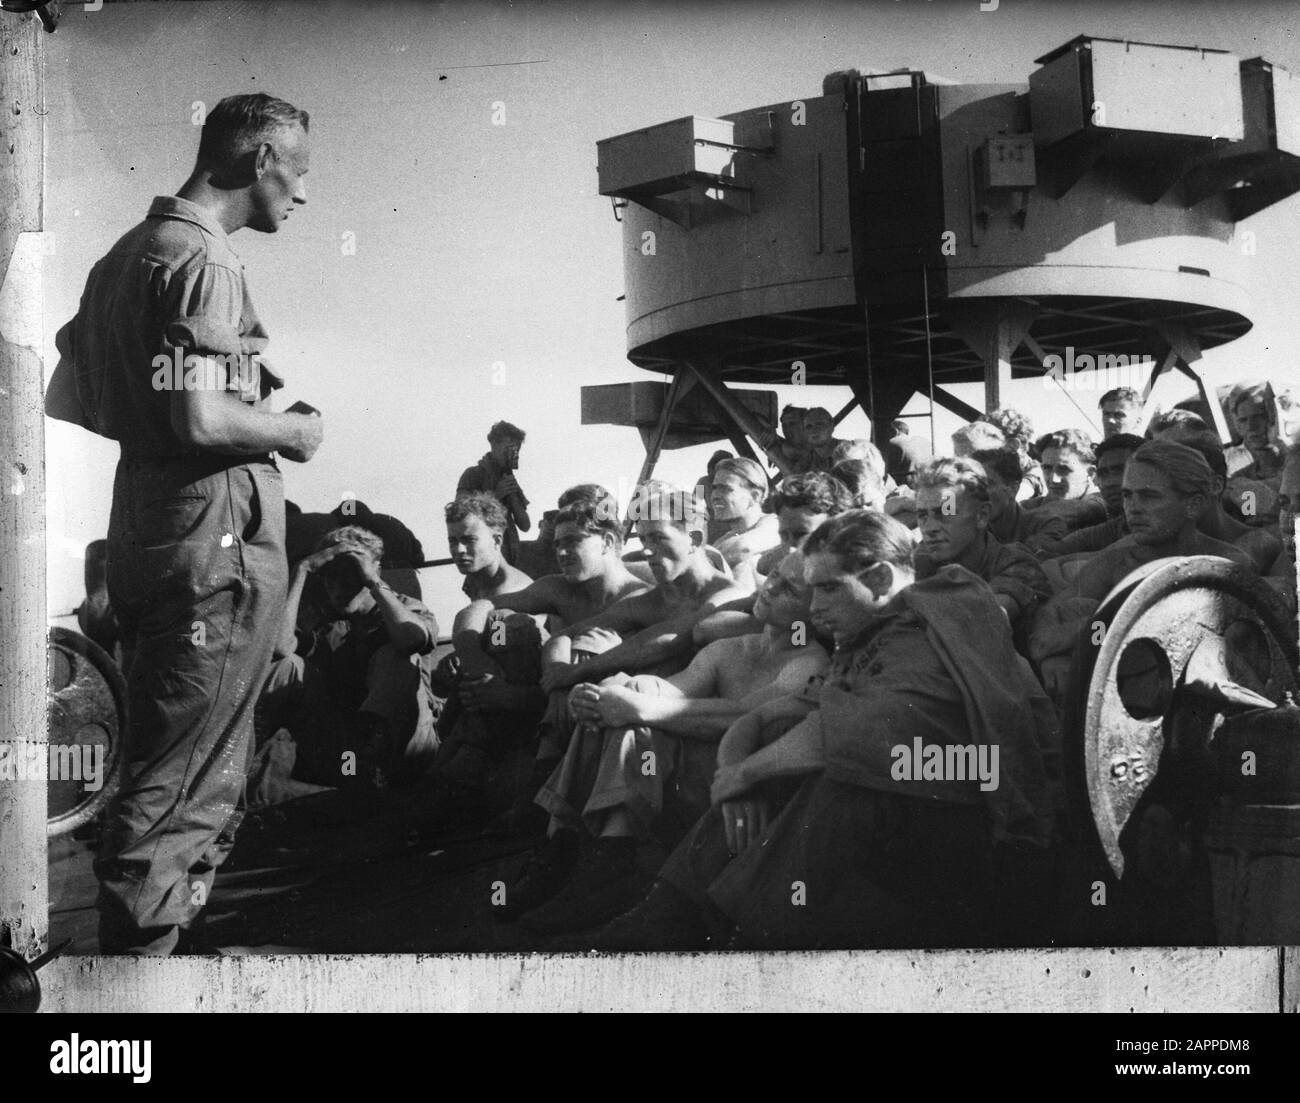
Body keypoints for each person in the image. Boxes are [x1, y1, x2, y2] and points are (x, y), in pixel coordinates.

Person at [43, 93, 323, 955]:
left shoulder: (123, 258)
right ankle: (139, 997)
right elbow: (203, 419)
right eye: (297, 172)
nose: (301, 195)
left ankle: (147, 962)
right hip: (213, 545)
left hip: (150, 530)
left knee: (165, 759)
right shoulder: (207, 259)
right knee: (185, 780)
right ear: (256, 158)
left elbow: (67, 394)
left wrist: (154, 420)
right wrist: (293, 432)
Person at [577, 510, 1059, 950]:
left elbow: (856, 736)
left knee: (844, 782)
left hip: (992, 841)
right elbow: (761, 718)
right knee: (784, 738)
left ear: (883, 578)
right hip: (916, 817)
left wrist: (746, 774)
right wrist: (736, 777)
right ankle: (669, 914)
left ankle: (745, 941)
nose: (814, 607)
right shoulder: (875, 631)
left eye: (829, 588)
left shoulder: (930, 627)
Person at [503, 551, 831, 934]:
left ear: (816, 610)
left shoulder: (808, 664)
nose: (771, 587)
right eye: (774, 574)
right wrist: (605, 697)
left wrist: (635, 706)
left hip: (726, 784)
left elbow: (741, 719)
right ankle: (569, 848)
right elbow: (667, 696)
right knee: (633, 690)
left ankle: (600, 858)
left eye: (789, 589)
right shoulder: (728, 649)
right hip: (666, 773)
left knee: (637, 704)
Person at [1029, 440, 1255, 697]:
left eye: (1149, 496)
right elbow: (1042, 638)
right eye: (1128, 495)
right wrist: (1063, 652)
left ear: (1194, 503)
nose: (1133, 507)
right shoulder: (1115, 564)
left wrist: (1098, 627)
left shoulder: (1228, 565)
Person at [256, 525, 440, 791]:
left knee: (395, 655)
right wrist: (302, 571)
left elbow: (411, 640)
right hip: (346, 753)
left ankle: (375, 776)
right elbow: (279, 649)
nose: (338, 586)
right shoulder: (322, 619)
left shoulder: (406, 608)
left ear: (373, 570)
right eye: (330, 576)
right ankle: (227, 777)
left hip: (404, 750)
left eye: (350, 575)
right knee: (287, 666)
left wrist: (373, 581)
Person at [537, 485, 754, 697]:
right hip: (635, 704)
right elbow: (564, 635)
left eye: (658, 538)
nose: (647, 550)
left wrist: (577, 672)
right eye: (642, 539)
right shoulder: (650, 600)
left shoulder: (729, 596)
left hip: (705, 712)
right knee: (588, 643)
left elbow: (667, 641)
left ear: (694, 539)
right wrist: (556, 670)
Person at [429, 493, 544, 807]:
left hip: (520, 714)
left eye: (468, 540)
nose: (459, 551)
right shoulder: (477, 581)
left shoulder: (513, 594)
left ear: (497, 539)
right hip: (484, 703)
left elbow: (509, 671)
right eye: (453, 542)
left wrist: (470, 653)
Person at [913, 458, 1052, 635]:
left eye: (945, 513)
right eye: (922, 515)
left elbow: (987, 618)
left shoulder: (1015, 563)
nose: (930, 527)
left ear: (982, 516)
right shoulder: (917, 563)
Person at [1052, 433, 1144, 555]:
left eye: (1120, 470)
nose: (1109, 483)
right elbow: (1057, 549)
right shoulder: (1114, 527)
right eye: (1103, 473)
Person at [970, 448, 1068, 557]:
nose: (976, 493)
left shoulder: (1046, 525)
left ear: (1013, 489)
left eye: (986, 484)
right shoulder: (970, 524)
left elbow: (1022, 559)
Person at [458, 421, 531, 565]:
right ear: (495, 444)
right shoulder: (473, 474)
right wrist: (495, 496)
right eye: (509, 447)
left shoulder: (508, 478)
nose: (514, 453)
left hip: (509, 557)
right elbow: (460, 515)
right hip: (482, 557)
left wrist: (512, 495)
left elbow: (525, 524)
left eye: (517, 449)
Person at [708, 457, 780, 586]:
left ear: (754, 496)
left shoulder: (774, 523)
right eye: (715, 488)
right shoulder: (726, 539)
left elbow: (744, 548)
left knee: (744, 563)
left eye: (726, 489)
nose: (715, 496)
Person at [1025, 429, 1108, 530]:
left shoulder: (1104, 504)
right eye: (1047, 468)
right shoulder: (1029, 506)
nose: (1054, 479)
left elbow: (1096, 505)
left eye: (1063, 469)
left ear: (1090, 473)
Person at [884, 419, 932, 487]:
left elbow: (887, 471)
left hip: (903, 487)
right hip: (922, 485)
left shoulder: (893, 442)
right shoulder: (920, 443)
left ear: (895, 430)